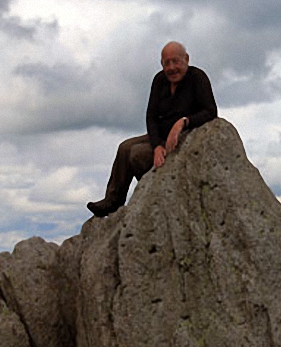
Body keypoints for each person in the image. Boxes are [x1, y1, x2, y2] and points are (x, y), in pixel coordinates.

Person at [87, 41, 218, 217]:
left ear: (186, 59)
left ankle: (152, 191)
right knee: (124, 147)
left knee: (136, 154)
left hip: (184, 137)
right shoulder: (159, 80)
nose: (171, 68)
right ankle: (113, 201)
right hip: (160, 135)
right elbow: (151, 116)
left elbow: (210, 111)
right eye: (166, 63)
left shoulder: (197, 77)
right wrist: (156, 145)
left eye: (176, 61)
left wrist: (183, 122)